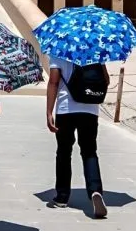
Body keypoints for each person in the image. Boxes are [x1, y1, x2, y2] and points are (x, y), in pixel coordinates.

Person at [45, 56, 108, 219]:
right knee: (89, 151)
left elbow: (53, 81)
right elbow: (106, 80)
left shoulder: (58, 51)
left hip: (66, 109)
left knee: (64, 152)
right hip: (90, 110)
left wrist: (49, 112)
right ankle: (95, 191)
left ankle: (62, 196)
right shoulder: (95, 49)